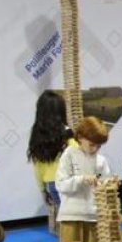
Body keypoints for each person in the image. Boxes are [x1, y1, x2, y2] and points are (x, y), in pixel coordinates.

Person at [55, 115, 113, 242]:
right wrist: (81, 180)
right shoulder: (69, 155)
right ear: (80, 137)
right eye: (92, 144)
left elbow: (106, 183)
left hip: (94, 216)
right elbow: (61, 184)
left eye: (99, 145)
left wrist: (108, 185)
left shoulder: (101, 161)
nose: (95, 148)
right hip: (71, 215)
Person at [27, 90, 71, 233]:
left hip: (52, 184)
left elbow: (37, 165)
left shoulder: (37, 134)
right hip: (69, 181)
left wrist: (42, 190)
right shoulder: (67, 132)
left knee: (65, 219)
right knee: (75, 220)